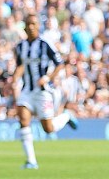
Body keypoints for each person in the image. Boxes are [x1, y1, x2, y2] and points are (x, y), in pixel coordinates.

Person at [12, 14, 78, 169]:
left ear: (38, 26)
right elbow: (20, 65)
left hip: (43, 91)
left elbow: (59, 64)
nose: (31, 27)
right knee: (23, 119)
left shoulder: (45, 44)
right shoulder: (21, 46)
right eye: (28, 24)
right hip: (27, 90)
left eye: (34, 24)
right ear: (25, 27)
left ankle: (67, 116)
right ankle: (31, 161)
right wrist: (14, 78)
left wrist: (47, 78)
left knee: (48, 129)